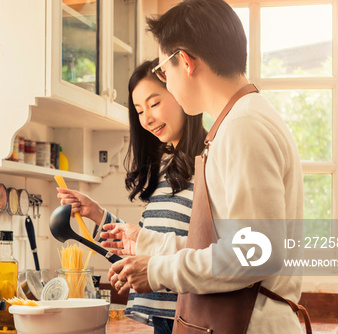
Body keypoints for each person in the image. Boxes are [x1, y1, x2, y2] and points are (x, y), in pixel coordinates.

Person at [104, 0, 305, 333]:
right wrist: (149, 246)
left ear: (185, 61)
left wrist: (157, 271)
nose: (166, 83)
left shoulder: (244, 126)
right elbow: (221, 245)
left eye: (164, 73)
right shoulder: (239, 120)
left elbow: (252, 255)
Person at [57, 59, 207, 334]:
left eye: (154, 103)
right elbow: (148, 245)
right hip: (164, 317)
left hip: (196, 317)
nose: (147, 118)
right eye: (139, 110)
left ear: (179, 92)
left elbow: (212, 252)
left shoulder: (211, 163)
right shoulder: (165, 167)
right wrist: (97, 214)